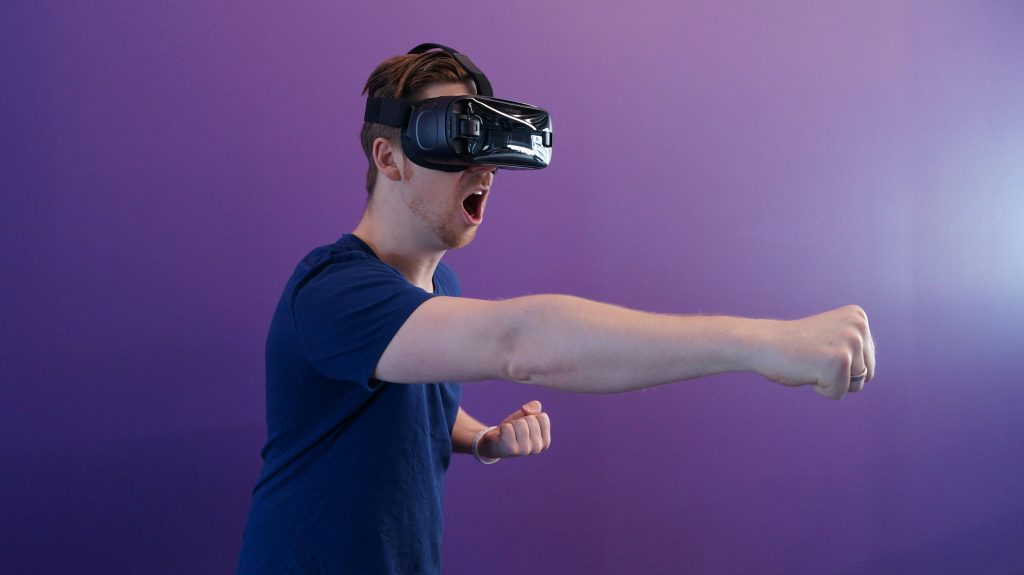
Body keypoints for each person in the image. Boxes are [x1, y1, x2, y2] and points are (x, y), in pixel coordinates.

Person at [237, 45, 876, 575]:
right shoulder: (334, 291)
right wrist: (766, 343)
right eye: (456, 142)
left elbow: (403, 395)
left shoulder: (438, 291)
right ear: (389, 159)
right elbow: (521, 343)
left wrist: (481, 438)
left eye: (487, 146)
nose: (483, 167)